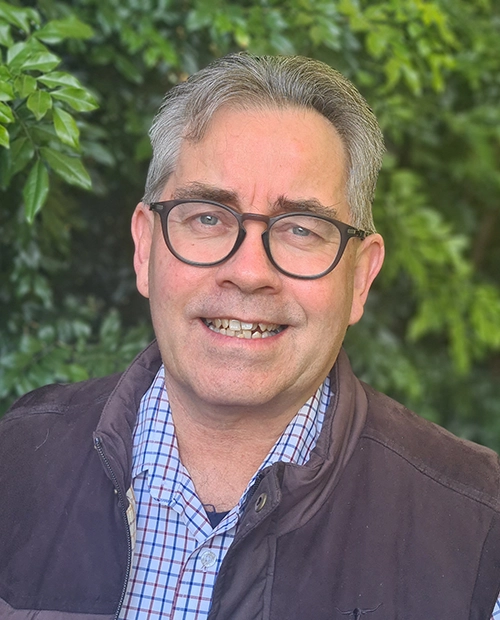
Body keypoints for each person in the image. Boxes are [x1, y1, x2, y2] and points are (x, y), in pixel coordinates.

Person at [1, 53, 500, 620]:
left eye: (300, 229)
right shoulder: (16, 463)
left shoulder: (481, 532)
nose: (249, 271)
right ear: (145, 249)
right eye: (208, 217)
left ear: (360, 277)